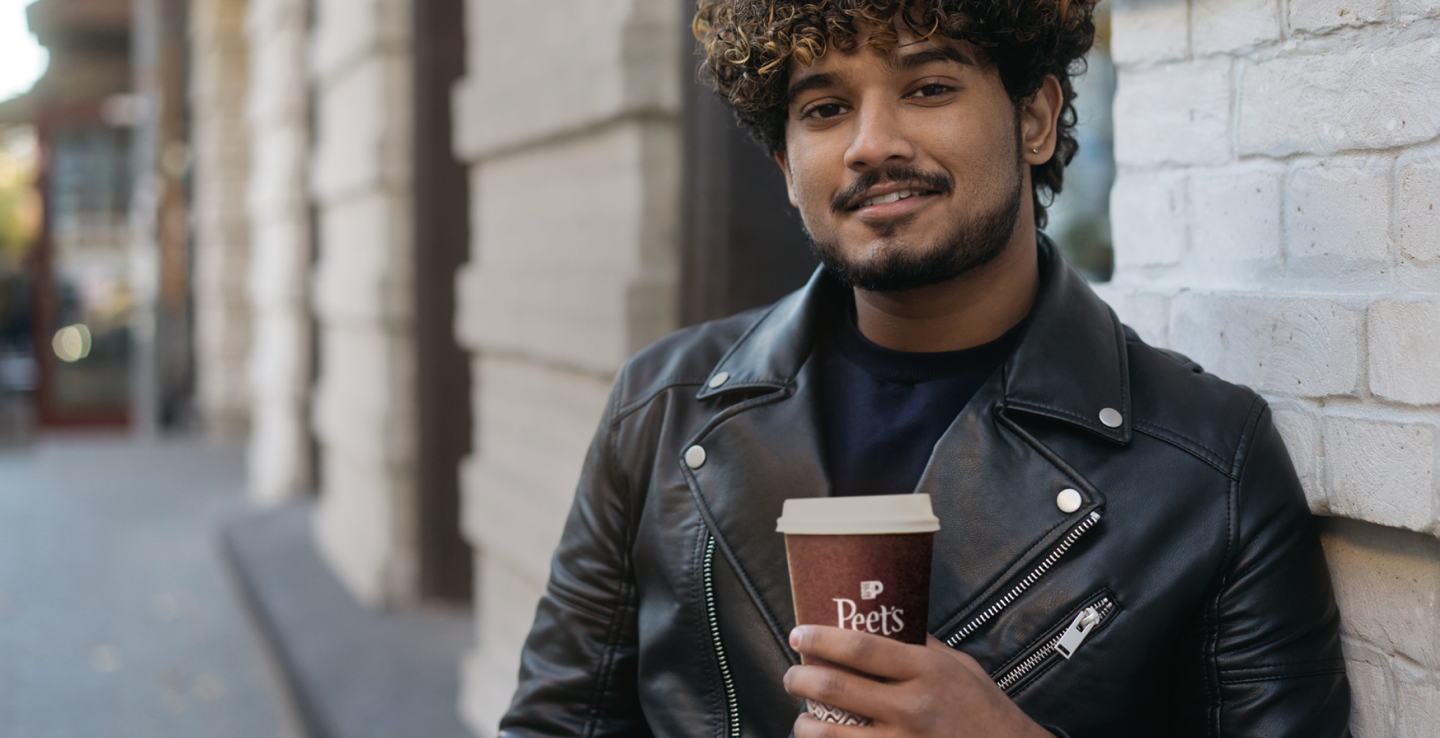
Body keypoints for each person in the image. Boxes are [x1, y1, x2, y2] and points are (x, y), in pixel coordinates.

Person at [499, 1, 1351, 736]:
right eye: (826, 108)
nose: (872, 144)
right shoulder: (662, 407)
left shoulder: (1207, 464)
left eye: (929, 87)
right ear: (787, 168)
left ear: (1034, 118)